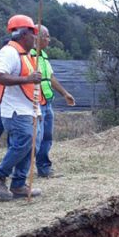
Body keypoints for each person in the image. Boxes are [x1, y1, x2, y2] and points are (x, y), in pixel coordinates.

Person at [0, 15, 45, 201]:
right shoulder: (9, 52)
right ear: (22, 34)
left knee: (33, 144)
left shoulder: (26, 55)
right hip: (16, 111)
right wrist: (27, 79)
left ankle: (18, 184)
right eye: (32, 34)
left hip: (31, 108)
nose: (35, 38)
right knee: (24, 141)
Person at [32, 25, 75, 178]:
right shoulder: (28, 56)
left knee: (47, 137)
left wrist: (65, 94)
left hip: (47, 102)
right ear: (37, 38)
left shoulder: (43, 56)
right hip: (35, 104)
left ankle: (44, 169)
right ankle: (20, 172)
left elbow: (50, 77)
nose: (49, 40)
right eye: (47, 36)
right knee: (34, 139)